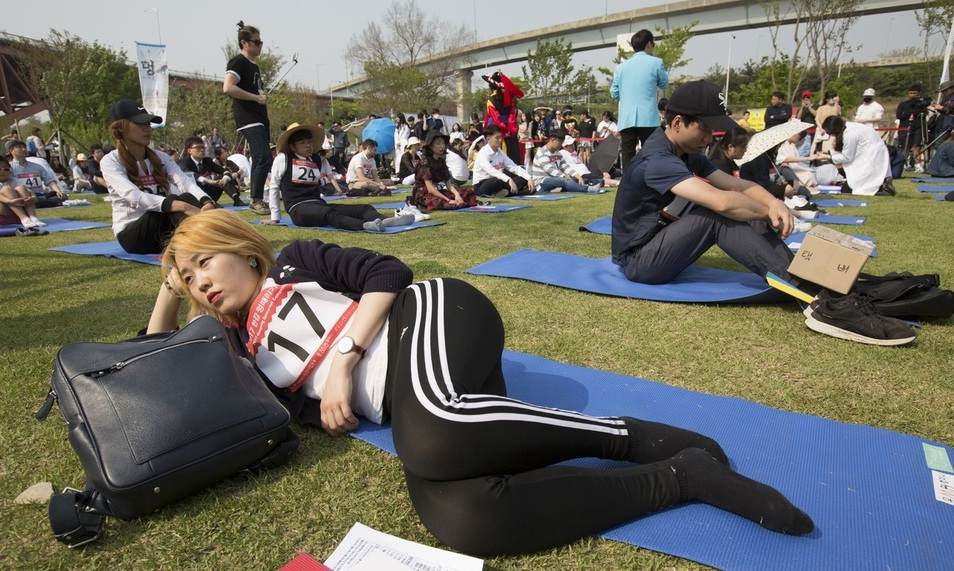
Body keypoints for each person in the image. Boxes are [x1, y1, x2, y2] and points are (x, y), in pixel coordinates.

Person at [147, 209, 815, 556]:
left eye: (206, 260)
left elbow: (390, 271)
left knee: (428, 440)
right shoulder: (235, 346)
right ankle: (681, 478)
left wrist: (346, 357)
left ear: (241, 246)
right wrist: (167, 289)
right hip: (424, 406)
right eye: (191, 276)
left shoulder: (294, 262)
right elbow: (157, 369)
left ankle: (623, 436)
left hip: (432, 318)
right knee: (461, 516)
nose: (204, 280)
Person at [611, 80, 796, 286]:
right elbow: (721, 202)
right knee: (718, 215)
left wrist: (773, 203)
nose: (710, 138)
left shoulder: (688, 152)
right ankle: (796, 284)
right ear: (678, 122)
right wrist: (766, 210)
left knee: (748, 207)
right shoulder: (657, 159)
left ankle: (797, 271)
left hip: (660, 241)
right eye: (705, 128)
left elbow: (737, 185)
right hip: (637, 260)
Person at [101, 100, 216, 254]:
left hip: (164, 225)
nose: (147, 128)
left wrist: (206, 202)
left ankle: (217, 238)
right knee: (171, 205)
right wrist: (183, 206)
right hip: (133, 235)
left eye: (148, 124)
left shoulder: (161, 157)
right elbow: (134, 196)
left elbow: (184, 182)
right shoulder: (110, 161)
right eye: (140, 123)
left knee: (188, 197)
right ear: (121, 128)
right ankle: (209, 242)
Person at [265, 124, 410, 232]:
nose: (308, 145)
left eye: (309, 141)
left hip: (318, 204)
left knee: (364, 208)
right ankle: (365, 226)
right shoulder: (283, 158)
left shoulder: (315, 159)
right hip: (298, 209)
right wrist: (275, 217)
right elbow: (274, 186)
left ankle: (386, 221)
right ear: (292, 146)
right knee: (329, 214)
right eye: (302, 143)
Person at [223, 21, 271, 215]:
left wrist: (261, 95)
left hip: (259, 117)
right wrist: (255, 97)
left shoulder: (255, 67)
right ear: (244, 43)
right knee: (262, 156)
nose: (260, 45)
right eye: (256, 42)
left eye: (261, 42)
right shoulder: (238, 62)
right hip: (248, 117)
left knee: (265, 158)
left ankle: (258, 198)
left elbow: (255, 90)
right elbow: (228, 87)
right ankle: (256, 199)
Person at [611, 29, 668, 167]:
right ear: (649, 44)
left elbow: (614, 94)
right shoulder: (656, 62)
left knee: (628, 155)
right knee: (652, 154)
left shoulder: (621, 67)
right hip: (648, 118)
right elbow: (664, 83)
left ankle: (628, 185)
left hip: (626, 118)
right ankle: (651, 183)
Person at [821, 116, 894, 196]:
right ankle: (883, 185)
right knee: (869, 178)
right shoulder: (849, 126)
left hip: (871, 154)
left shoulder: (849, 134)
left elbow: (847, 157)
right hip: (874, 151)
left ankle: (882, 189)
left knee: (855, 187)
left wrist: (829, 157)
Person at [411, 130, 477, 211]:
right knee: (442, 202)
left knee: (466, 192)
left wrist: (457, 195)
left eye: (443, 143)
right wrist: (448, 200)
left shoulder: (441, 161)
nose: (442, 146)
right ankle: (452, 202)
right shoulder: (424, 162)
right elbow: (430, 189)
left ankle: (455, 201)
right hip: (425, 194)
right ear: (430, 146)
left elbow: (448, 183)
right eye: (438, 144)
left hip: (437, 191)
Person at [178, 136, 246, 207]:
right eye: (198, 147)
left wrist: (225, 179)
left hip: (210, 192)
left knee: (223, 178)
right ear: (189, 151)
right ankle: (209, 203)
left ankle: (236, 199)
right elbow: (191, 174)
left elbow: (224, 170)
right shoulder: (184, 162)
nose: (202, 150)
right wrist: (209, 181)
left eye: (203, 147)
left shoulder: (208, 161)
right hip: (195, 195)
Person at [531, 132, 603, 193]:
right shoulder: (542, 152)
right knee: (564, 179)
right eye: (560, 142)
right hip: (542, 182)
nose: (561, 145)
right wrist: (564, 176)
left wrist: (577, 175)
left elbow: (565, 166)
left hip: (555, 179)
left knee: (574, 178)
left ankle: (598, 182)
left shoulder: (557, 152)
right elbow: (550, 170)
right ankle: (588, 189)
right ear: (552, 140)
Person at [472, 126, 535, 197]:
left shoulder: (500, 152)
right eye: (497, 138)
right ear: (488, 138)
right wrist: (508, 179)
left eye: (501, 137)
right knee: (497, 180)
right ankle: (512, 192)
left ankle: (504, 192)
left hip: (501, 181)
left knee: (523, 175)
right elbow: (491, 171)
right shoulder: (483, 153)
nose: (500, 140)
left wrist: (529, 178)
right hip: (483, 184)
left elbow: (513, 167)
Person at [7, 140, 65, 208]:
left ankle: (41, 202)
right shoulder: (9, 168)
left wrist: (58, 191)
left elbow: (49, 181)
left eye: (24, 147)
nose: (24, 149)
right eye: (19, 147)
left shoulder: (37, 166)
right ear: (11, 150)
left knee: (60, 197)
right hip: (23, 196)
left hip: (40, 195)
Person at [0, 156, 48, 236]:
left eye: (6, 169)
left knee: (21, 188)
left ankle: (32, 217)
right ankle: (24, 219)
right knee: (6, 189)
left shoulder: (14, 180)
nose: (3, 172)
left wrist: (33, 198)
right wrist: (9, 201)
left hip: (16, 215)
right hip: (3, 215)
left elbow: (29, 191)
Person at [896, 84, 927, 170]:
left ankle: (917, 164)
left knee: (916, 146)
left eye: (914, 93)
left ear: (919, 94)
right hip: (905, 128)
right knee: (904, 147)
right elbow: (898, 115)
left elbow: (924, 115)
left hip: (918, 128)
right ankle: (902, 164)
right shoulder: (903, 104)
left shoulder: (922, 104)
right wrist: (909, 112)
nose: (912, 95)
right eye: (911, 93)